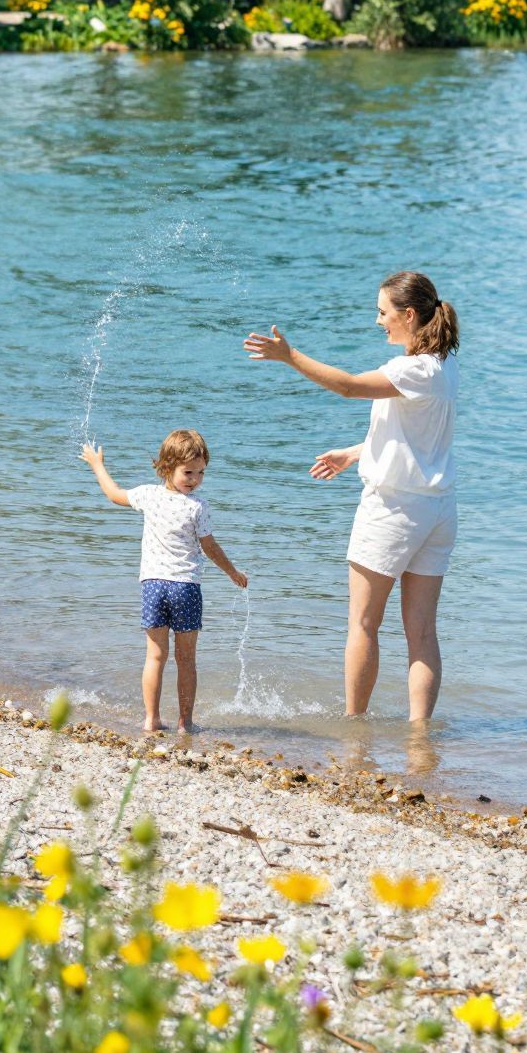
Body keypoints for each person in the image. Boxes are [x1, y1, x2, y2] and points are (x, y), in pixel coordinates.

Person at [244, 272, 459, 721]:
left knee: (363, 624)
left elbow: (346, 386)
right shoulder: (443, 366)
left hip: (394, 510)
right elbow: (416, 438)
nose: (377, 320)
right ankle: (420, 738)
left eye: (383, 312)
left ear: (409, 315)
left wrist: (289, 356)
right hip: (437, 511)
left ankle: (354, 728)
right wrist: (354, 453)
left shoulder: (409, 369)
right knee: (422, 633)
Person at [81, 427, 247, 735]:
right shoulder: (198, 506)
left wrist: (97, 465)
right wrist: (233, 573)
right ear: (167, 466)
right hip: (185, 587)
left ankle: (151, 720)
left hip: (153, 586)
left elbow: (113, 494)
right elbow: (209, 547)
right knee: (186, 660)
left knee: (155, 655)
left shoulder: (147, 495)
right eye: (189, 472)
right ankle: (185, 722)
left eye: (200, 473)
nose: (195, 479)